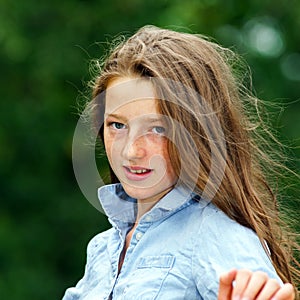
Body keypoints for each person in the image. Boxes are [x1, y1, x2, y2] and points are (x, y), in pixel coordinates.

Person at [63, 26, 299, 299]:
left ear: (198, 135)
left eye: (158, 129)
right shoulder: (102, 249)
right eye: (117, 125)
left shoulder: (215, 235)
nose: (131, 151)